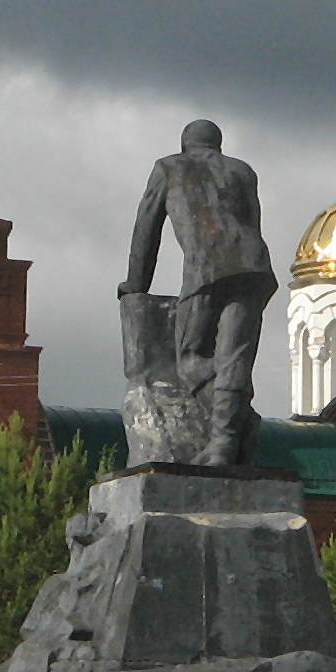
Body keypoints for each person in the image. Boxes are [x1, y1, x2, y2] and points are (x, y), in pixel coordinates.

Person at [122, 119, 277, 442]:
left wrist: (136, 284)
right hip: (254, 266)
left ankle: (239, 425)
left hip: (206, 269)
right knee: (234, 357)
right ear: (217, 146)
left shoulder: (169, 167)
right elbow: (252, 221)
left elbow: (146, 230)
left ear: (185, 145)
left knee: (190, 360)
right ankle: (224, 444)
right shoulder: (243, 171)